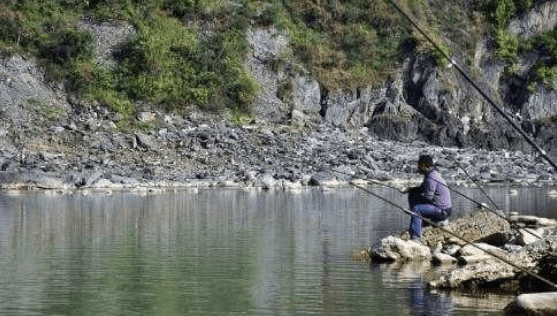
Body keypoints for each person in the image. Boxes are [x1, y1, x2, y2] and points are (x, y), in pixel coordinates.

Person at [400, 154, 452, 241]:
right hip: (443, 208)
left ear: (425, 165)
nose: (418, 168)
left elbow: (429, 197)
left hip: (442, 211)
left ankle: (415, 237)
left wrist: (413, 209)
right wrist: (408, 190)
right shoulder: (431, 174)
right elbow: (421, 189)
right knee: (412, 194)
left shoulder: (431, 178)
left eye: (419, 165)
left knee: (417, 209)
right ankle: (418, 223)